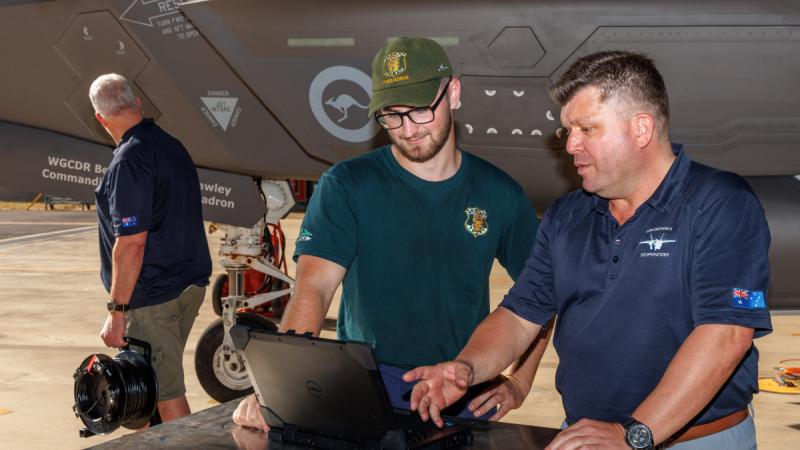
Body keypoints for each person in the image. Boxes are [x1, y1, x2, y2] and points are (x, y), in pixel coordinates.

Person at [405, 50, 772, 450]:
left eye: (587, 129)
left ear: (641, 129)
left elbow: (725, 335)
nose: (570, 145)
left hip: (692, 441)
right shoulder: (567, 216)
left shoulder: (720, 204)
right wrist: (466, 367)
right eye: (568, 131)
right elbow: (519, 316)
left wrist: (633, 434)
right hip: (589, 438)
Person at [233, 37, 548, 431]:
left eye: (419, 112)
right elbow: (314, 288)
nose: (407, 130)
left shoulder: (498, 194)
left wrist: (520, 380)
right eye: (391, 116)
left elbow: (542, 297)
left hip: (459, 388)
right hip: (367, 387)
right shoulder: (347, 185)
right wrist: (276, 388)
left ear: (452, 92)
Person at [91, 73, 212, 422]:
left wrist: (117, 312)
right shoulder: (170, 146)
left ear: (100, 118)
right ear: (137, 103)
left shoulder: (129, 159)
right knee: (146, 397)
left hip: (153, 296)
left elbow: (130, 244)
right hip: (187, 285)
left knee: (162, 394)